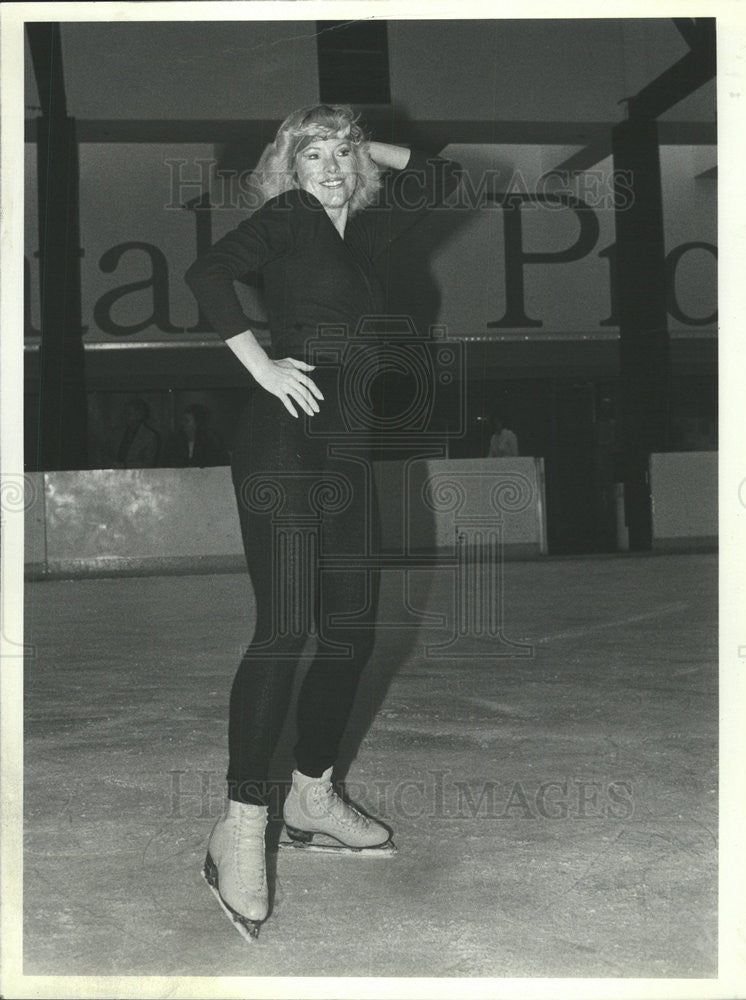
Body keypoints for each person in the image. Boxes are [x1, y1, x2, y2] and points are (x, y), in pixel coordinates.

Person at [184, 103, 461, 941]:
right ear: (288, 166)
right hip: (283, 434)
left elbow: (446, 177)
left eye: (342, 153)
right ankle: (239, 827)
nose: (332, 165)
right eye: (313, 154)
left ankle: (310, 796)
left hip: (344, 440)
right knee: (287, 627)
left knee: (350, 625)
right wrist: (261, 365)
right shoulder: (292, 216)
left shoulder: (358, 236)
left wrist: (345, 136)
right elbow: (206, 275)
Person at [162, 403, 229, 467]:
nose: (183, 423)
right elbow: (167, 464)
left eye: (187, 421)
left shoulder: (212, 441)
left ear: (198, 423)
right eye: (182, 420)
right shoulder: (174, 441)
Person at [103, 398, 160, 469]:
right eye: (125, 413)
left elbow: (149, 463)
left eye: (129, 414)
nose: (125, 416)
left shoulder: (150, 437)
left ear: (140, 415)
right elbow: (107, 452)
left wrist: (125, 466)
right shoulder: (117, 433)